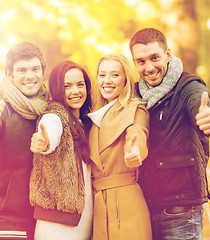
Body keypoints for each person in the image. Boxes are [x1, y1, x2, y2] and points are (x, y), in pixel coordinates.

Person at [129, 27, 210, 239]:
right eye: (141, 61)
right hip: (146, 208)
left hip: (181, 212)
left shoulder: (187, 85)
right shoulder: (135, 93)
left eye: (155, 58)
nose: (149, 67)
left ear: (168, 55)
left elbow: (200, 102)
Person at [0, 42, 50, 240]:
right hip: (2, 220)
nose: (30, 75)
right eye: (22, 70)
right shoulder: (1, 107)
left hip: (39, 220)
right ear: (10, 74)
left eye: (35, 69)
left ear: (43, 71)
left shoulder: (48, 107)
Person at [88, 54, 152, 239]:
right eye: (102, 75)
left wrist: (135, 151)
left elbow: (138, 133)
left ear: (126, 79)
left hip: (126, 205)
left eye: (115, 75)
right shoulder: (96, 115)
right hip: (99, 207)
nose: (107, 81)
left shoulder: (135, 109)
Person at [29, 60, 93, 240]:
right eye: (67, 86)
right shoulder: (54, 115)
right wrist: (45, 142)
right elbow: (51, 130)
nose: (75, 91)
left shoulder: (84, 122)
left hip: (81, 224)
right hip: (57, 228)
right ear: (57, 89)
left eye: (80, 85)